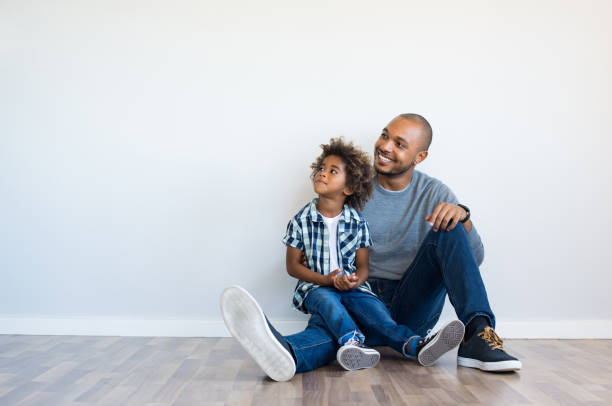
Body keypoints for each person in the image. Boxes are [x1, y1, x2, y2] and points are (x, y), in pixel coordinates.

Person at [221, 113, 522, 382]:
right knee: (338, 334)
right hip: (353, 295)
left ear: (419, 157)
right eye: (385, 135)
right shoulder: (352, 188)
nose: (385, 146)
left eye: (400, 144)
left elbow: (474, 258)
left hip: (410, 303)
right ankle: (286, 352)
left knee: (452, 222)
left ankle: (479, 336)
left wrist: (464, 218)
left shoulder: (434, 192)